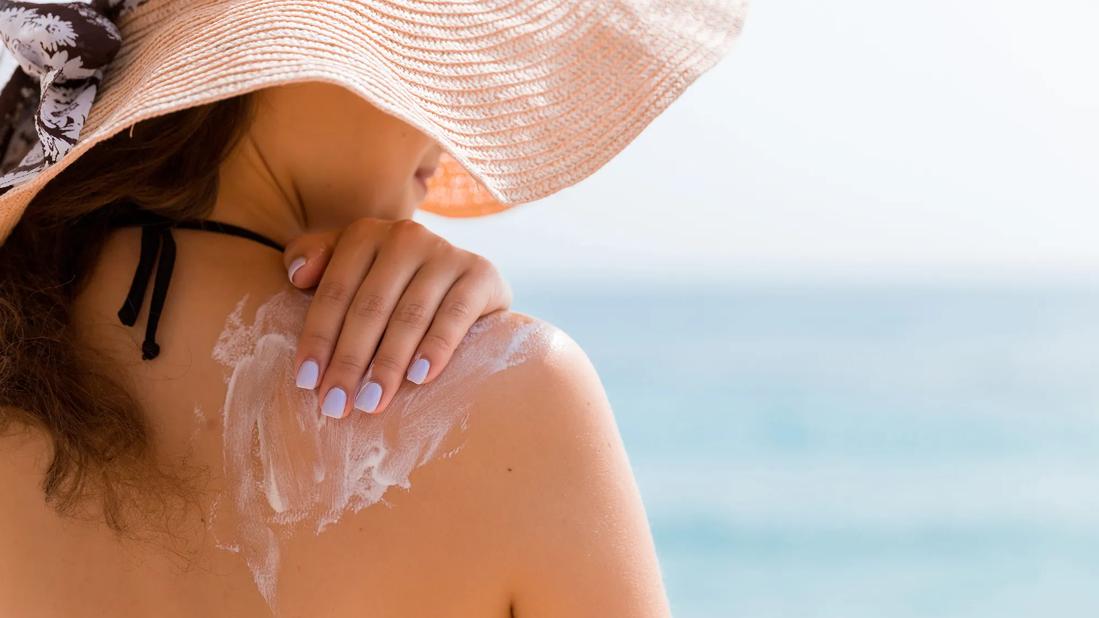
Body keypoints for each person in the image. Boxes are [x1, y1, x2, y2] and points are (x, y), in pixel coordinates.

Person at [0, 1, 746, 616]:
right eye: (421, 62)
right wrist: (494, 359)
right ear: (295, 52)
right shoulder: (512, 396)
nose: (448, 137)